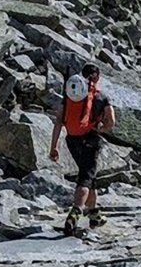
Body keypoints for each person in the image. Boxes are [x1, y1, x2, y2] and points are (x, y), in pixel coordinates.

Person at [49, 62, 115, 236]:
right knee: (85, 178)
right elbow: (111, 122)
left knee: (89, 175)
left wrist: (54, 147)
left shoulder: (71, 96)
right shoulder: (101, 97)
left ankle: (94, 215)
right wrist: (100, 129)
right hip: (91, 140)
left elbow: (58, 121)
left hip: (72, 140)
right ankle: (76, 212)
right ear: (97, 77)